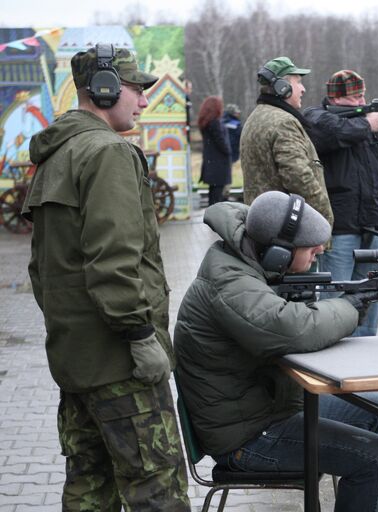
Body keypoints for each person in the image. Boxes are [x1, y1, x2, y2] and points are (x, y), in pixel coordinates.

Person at [20, 44, 190, 511]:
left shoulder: (56, 154)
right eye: (136, 89)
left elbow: (41, 269)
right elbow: (113, 260)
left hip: (77, 358)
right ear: (105, 88)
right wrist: (139, 335)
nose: (143, 101)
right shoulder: (109, 152)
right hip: (122, 364)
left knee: (89, 486)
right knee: (158, 490)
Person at [173, 191, 378, 512]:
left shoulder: (241, 262)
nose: (319, 253)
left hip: (267, 408)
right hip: (246, 438)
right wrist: (352, 305)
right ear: (278, 255)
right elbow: (295, 330)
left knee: (375, 406)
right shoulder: (231, 284)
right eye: (311, 249)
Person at [304, 70, 378, 336]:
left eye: (363, 95)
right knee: (335, 297)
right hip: (340, 226)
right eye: (355, 97)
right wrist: (365, 125)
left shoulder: (363, 125)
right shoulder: (318, 118)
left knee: (372, 293)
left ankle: (367, 349)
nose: (361, 101)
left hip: (371, 225)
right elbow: (329, 134)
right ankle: (332, 352)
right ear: (335, 98)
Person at [240, 56, 333, 224]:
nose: (303, 89)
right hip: (288, 231)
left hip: (266, 225)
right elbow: (299, 178)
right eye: (298, 82)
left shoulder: (256, 117)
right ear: (282, 88)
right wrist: (325, 219)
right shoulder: (284, 122)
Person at [198, 95, 232, 206]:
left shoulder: (206, 123)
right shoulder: (215, 123)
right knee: (217, 197)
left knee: (213, 194)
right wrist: (229, 151)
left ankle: (211, 218)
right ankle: (214, 220)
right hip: (218, 165)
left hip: (211, 163)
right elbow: (221, 142)